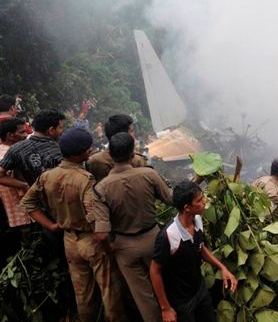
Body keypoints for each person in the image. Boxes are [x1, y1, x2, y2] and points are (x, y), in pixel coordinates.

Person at [20, 128, 124, 321]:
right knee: (110, 290)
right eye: (88, 148)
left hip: (70, 241)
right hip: (91, 240)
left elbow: (27, 203)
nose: (91, 150)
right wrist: (107, 243)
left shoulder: (47, 176)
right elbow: (93, 216)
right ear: (81, 154)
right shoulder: (84, 179)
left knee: (83, 292)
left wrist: (51, 226)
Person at [93, 132, 174, 322]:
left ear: (110, 155)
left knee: (143, 297)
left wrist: (111, 250)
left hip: (125, 246)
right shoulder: (149, 174)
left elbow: (102, 235)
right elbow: (171, 199)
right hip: (154, 240)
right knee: (167, 285)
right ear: (133, 154)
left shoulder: (101, 188)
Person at [150, 181, 237, 322]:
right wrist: (165, 308)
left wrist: (222, 268)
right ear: (187, 208)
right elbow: (155, 271)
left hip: (199, 289)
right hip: (181, 301)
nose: (204, 201)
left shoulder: (197, 220)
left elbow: (200, 248)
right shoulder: (169, 236)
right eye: (199, 200)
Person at [0, 109, 65, 188]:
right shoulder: (61, 149)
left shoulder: (16, 149)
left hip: (32, 198)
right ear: (51, 130)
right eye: (60, 127)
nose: (62, 131)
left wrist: (27, 186)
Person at [87, 114, 148, 182]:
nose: (134, 135)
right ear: (122, 136)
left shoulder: (92, 162)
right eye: (131, 131)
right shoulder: (138, 161)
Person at [0, 117, 30, 228]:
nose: (25, 135)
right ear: (10, 135)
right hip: (17, 211)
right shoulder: (9, 154)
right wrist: (24, 185)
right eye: (22, 132)